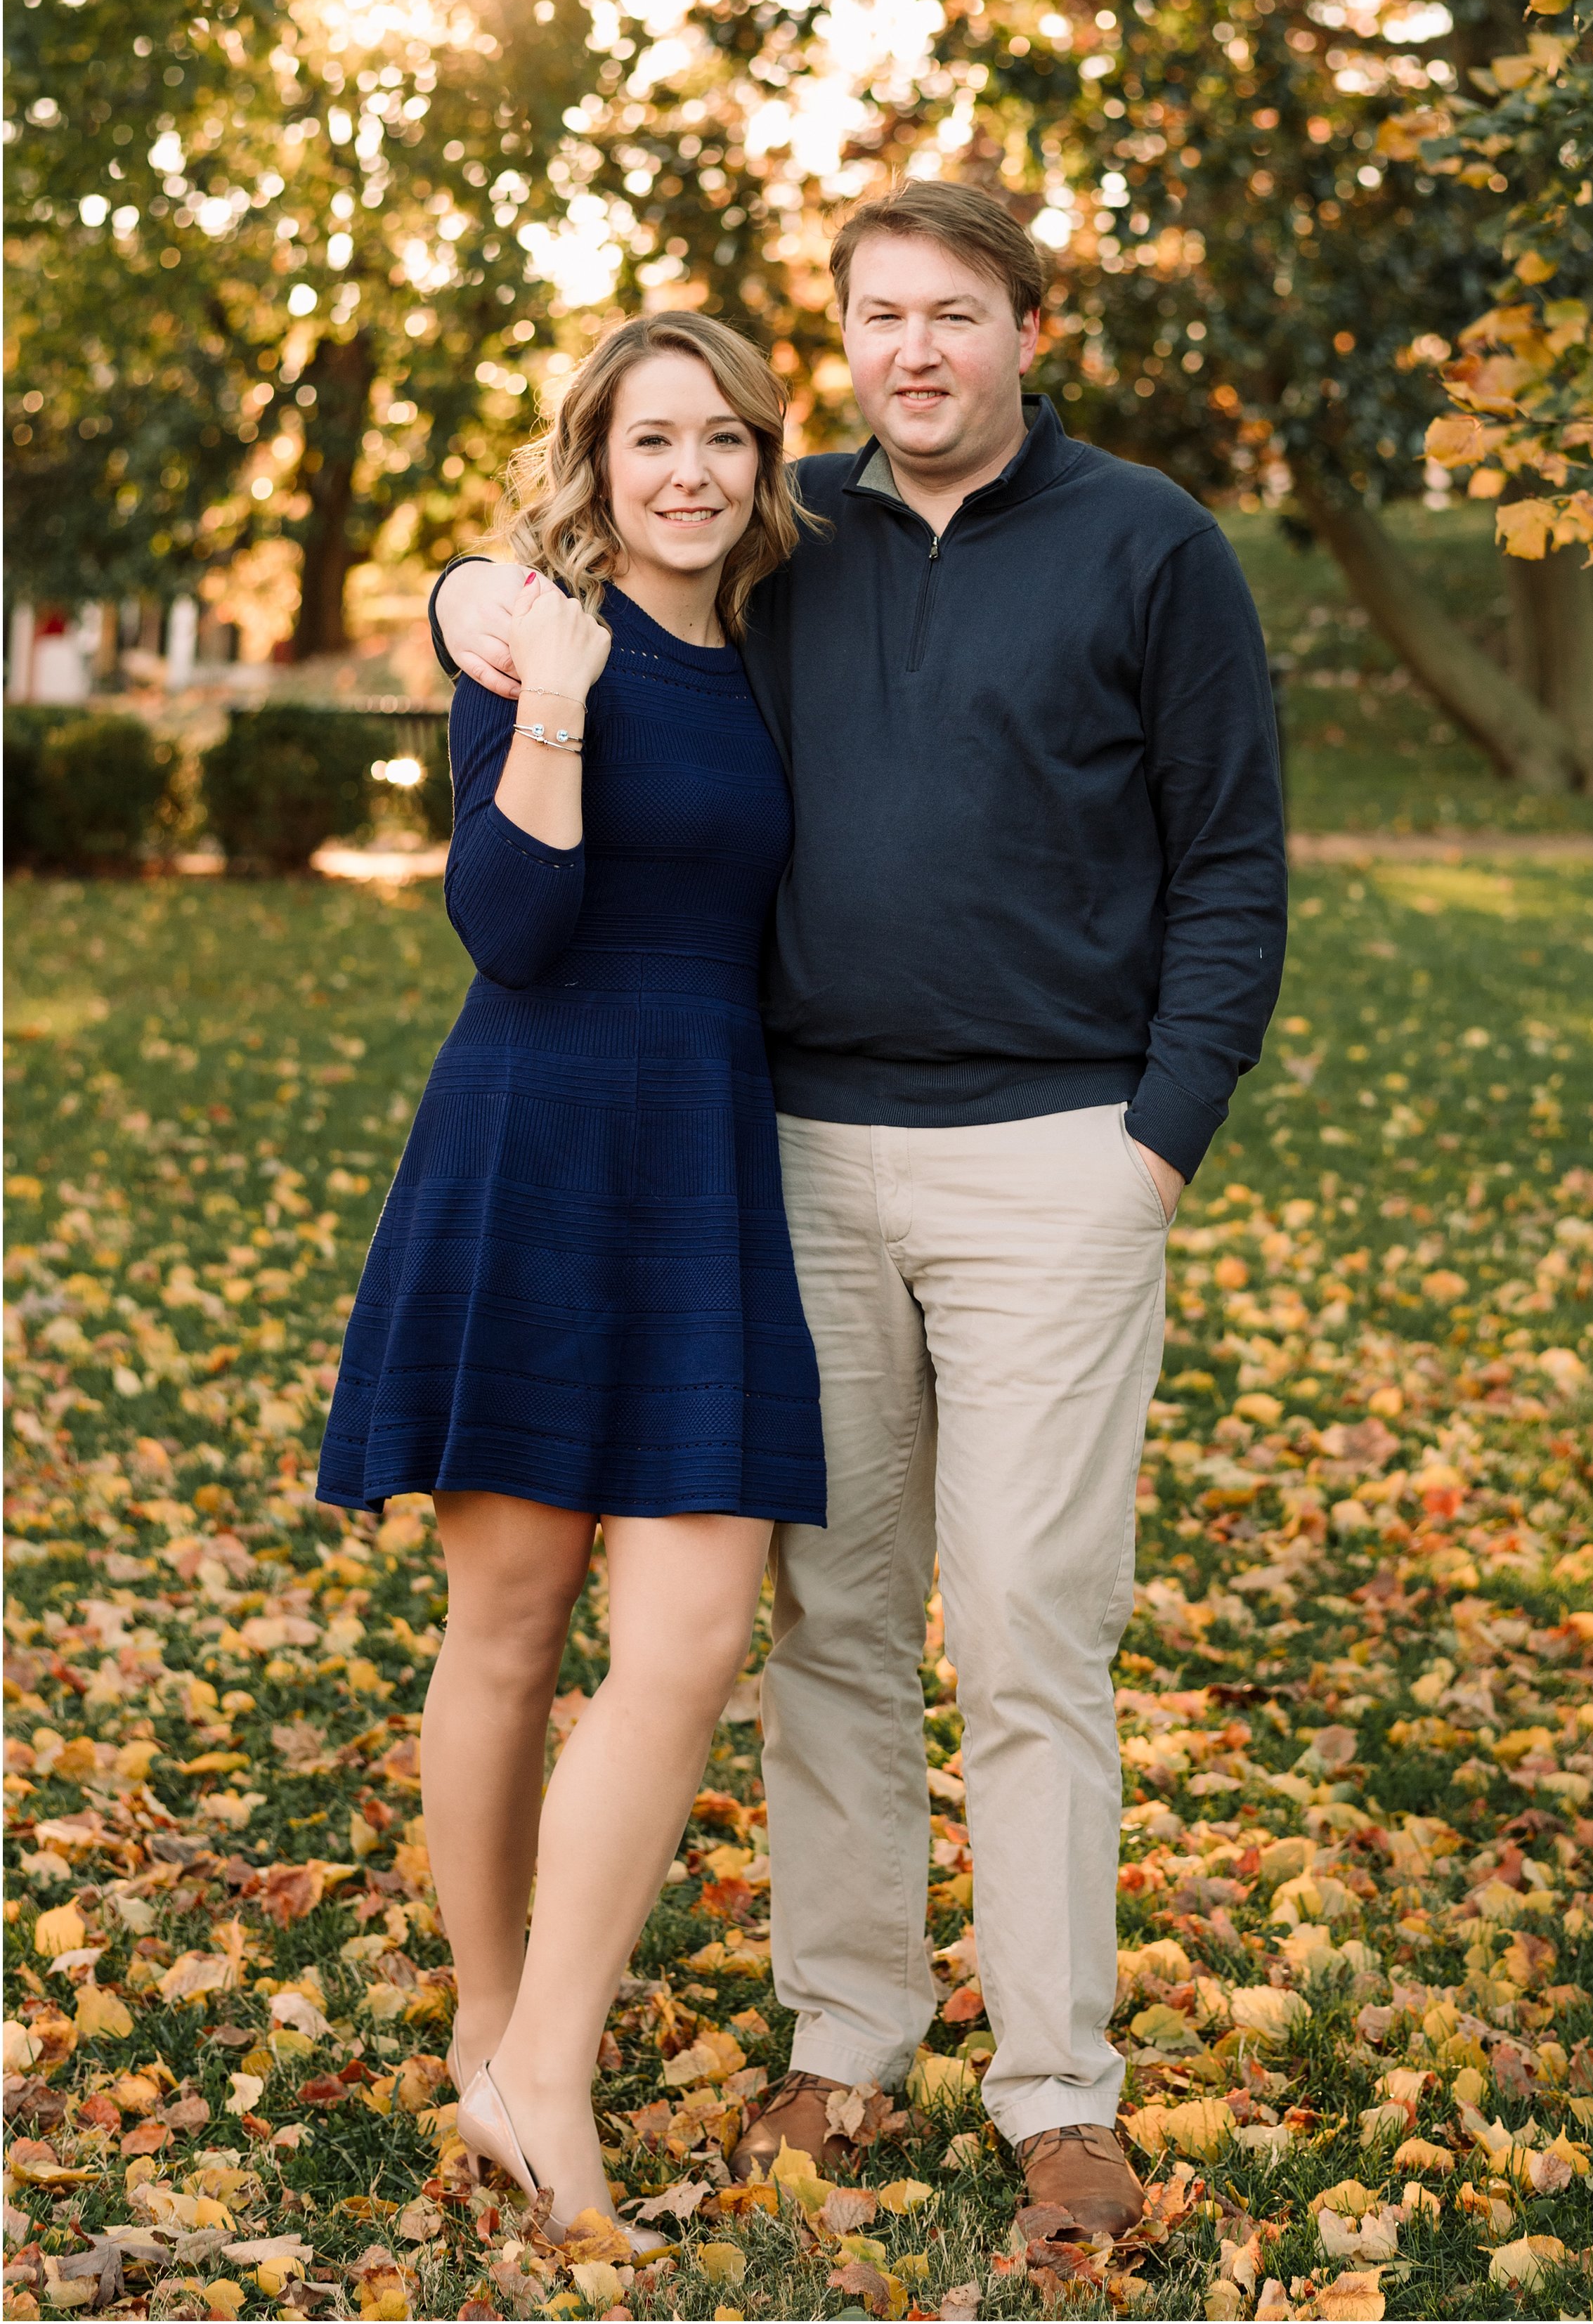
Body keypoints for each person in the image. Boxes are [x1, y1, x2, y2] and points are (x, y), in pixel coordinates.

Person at [431, 181, 1286, 2235]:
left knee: (1022, 1625)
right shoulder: (788, 534)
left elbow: (1231, 861)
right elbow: (594, 562)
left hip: (1056, 1158)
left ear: (1023, 326)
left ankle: (1058, 2078)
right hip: (791, 1155)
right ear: (845, 339)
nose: (917, 350)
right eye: (880, 316)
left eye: (956, 313)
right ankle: (845, 2037)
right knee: (825, 1623)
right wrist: (480, 598)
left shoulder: (1147, 543)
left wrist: (1153, 1136)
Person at [318, 312, 826, 2242]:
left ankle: (548, 2046)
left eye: (721, 438)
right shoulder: (530, 633)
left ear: (764, 461)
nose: (685, 471)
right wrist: (543, 701)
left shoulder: (781, 643)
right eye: (648, 440)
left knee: (692, 1627)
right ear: (596, 459)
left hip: (704, 1156)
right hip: (534, 1139)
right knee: (512, 1626)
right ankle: (489, 2028)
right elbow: (509, 928)